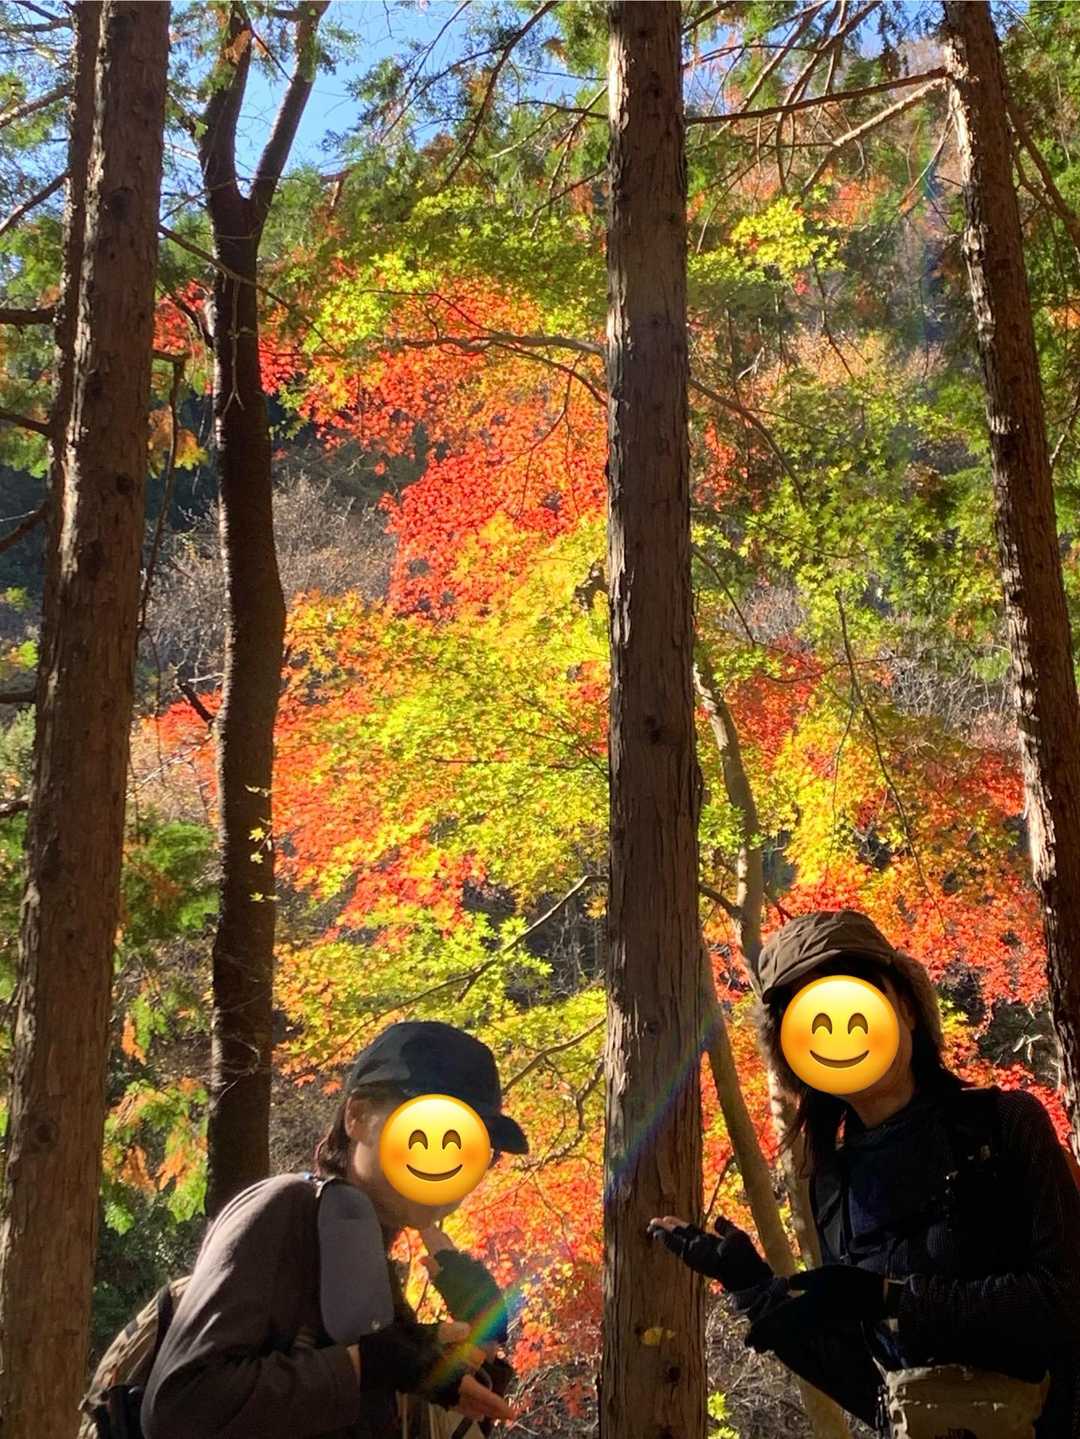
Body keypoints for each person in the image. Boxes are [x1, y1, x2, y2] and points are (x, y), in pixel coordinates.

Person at [650, 909, 1080, 1437]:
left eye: (855, 999)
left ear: (907, 1008)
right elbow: (873, 1389)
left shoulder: (1004, 1124)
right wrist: (754, 1288)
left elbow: (1065, 1298)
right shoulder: (831, 1185)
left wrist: (892, 1298)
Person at [142, 1020, 528, 1439]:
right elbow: (179, 1406)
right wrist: (368, 1364)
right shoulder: (286, 1210)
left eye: (477, 1150)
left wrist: (474, 1356)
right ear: (357, 1116)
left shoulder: (370, 1266)